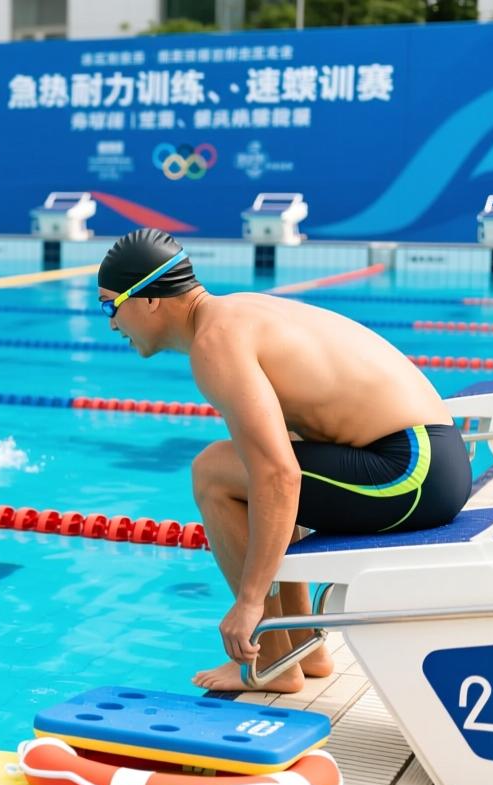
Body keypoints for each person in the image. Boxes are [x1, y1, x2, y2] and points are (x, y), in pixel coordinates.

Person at [97, 228, 471, 694]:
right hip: (430, 463)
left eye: (110, 304)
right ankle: (301, 647)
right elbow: (283, 457)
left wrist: (250, 603)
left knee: (214, 472)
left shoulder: (216, 342)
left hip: (411, 474)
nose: (111, 323)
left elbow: (279, 475)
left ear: (149, 299)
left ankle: (272, 657)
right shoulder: (236, 313)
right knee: (250, 466)